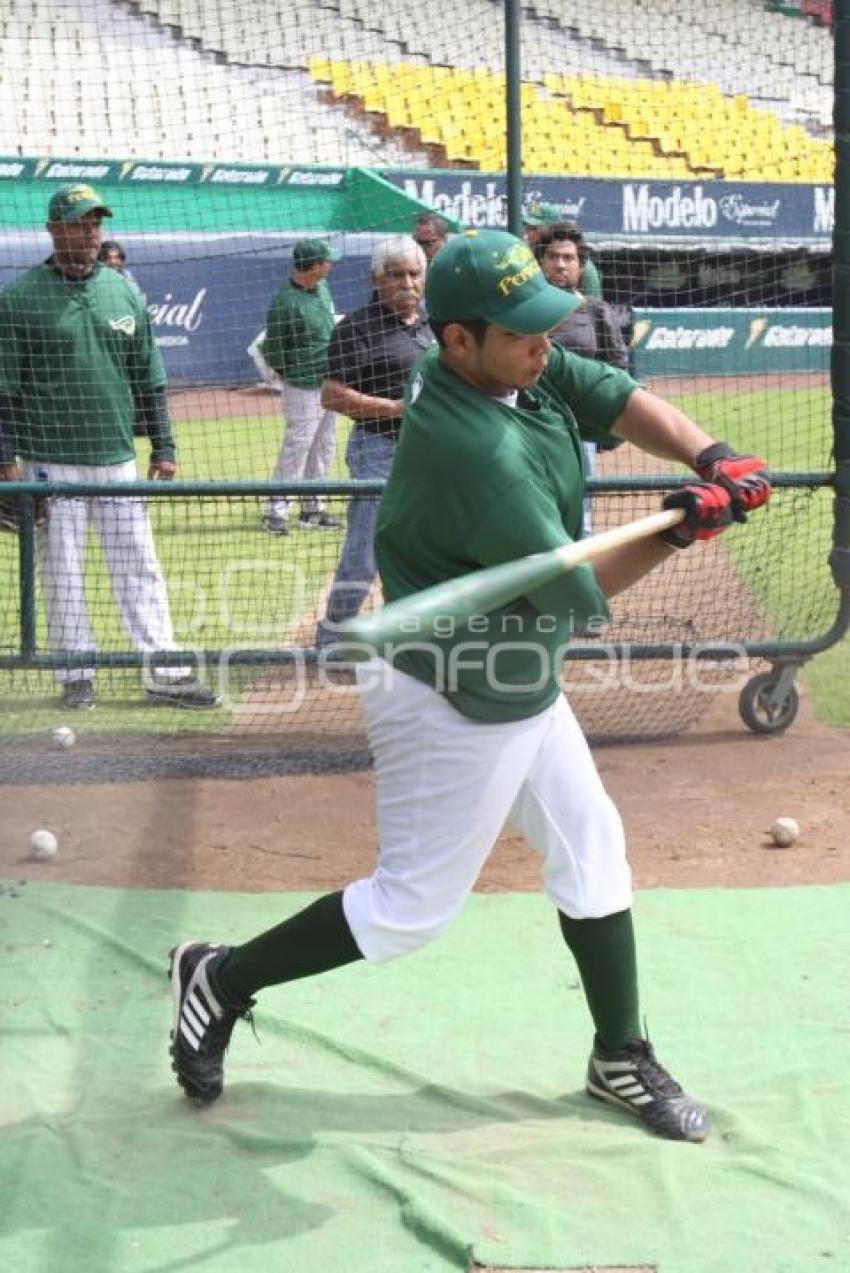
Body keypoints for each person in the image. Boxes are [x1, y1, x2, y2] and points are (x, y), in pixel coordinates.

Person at [167, 230, 770, 1143]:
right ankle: (221, 975)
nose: (545, 343)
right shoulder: (472, 451)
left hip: (514, 667)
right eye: (523, 331)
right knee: (408, 909)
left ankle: (619, 1055)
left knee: (593, 850)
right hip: (450, 693)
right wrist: (686, 530)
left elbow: (607, 388)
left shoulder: (504, 365)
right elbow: (575, 589)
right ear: (457, 340)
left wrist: (711, 458)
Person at [0, 183, 218, 712]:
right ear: (54, 230)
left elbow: (149, 377)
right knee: (62, 573)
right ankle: (77, 674)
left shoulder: (123, 290)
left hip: (117, 458)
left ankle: (165, 671)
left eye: (96, 221)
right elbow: (2, 388)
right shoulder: (20, 298)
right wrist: (6, 463)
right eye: (79, 222)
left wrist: (163, 444)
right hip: (51, 461)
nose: (91, 231)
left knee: (138, 564)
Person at [315, 236, 432, 648]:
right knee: (364, 551)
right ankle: (333, 639)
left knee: (421, 550)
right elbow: (331, 395)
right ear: (375, 279)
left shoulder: (433, 327)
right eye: (395, 275)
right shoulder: (357, 327)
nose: (407, 283)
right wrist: (398, 408)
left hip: (430, 454)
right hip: (378, 448)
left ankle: (404, 636)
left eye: (414, 274)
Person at [535, 221, 629, 531]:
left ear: (580, 264)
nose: (560, 264)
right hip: (531, 422)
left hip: (580, 426)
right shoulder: (526, 310)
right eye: (552, 257)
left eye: (568, 258)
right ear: (540, 261)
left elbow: (617, 369)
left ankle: (575, 575)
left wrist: (608, 421)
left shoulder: (597, 311)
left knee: (580, 516)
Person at [260, 238, 343, 536]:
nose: (331, 264)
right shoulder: (286, 303)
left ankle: (313, 509)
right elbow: (274, 349)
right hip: (302, 386)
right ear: (313, 266)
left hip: (329, 380)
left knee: (324, 445)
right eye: (326, 261)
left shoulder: (322, 288)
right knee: (298, 445)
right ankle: (275, 513)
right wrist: (292, 373)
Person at [522, 204, 603, 297]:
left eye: (534, 229)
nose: (528, 234)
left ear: (552, 228)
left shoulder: (586, 269)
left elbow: (594, 307)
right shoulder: (527, 255)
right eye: (527, 228)